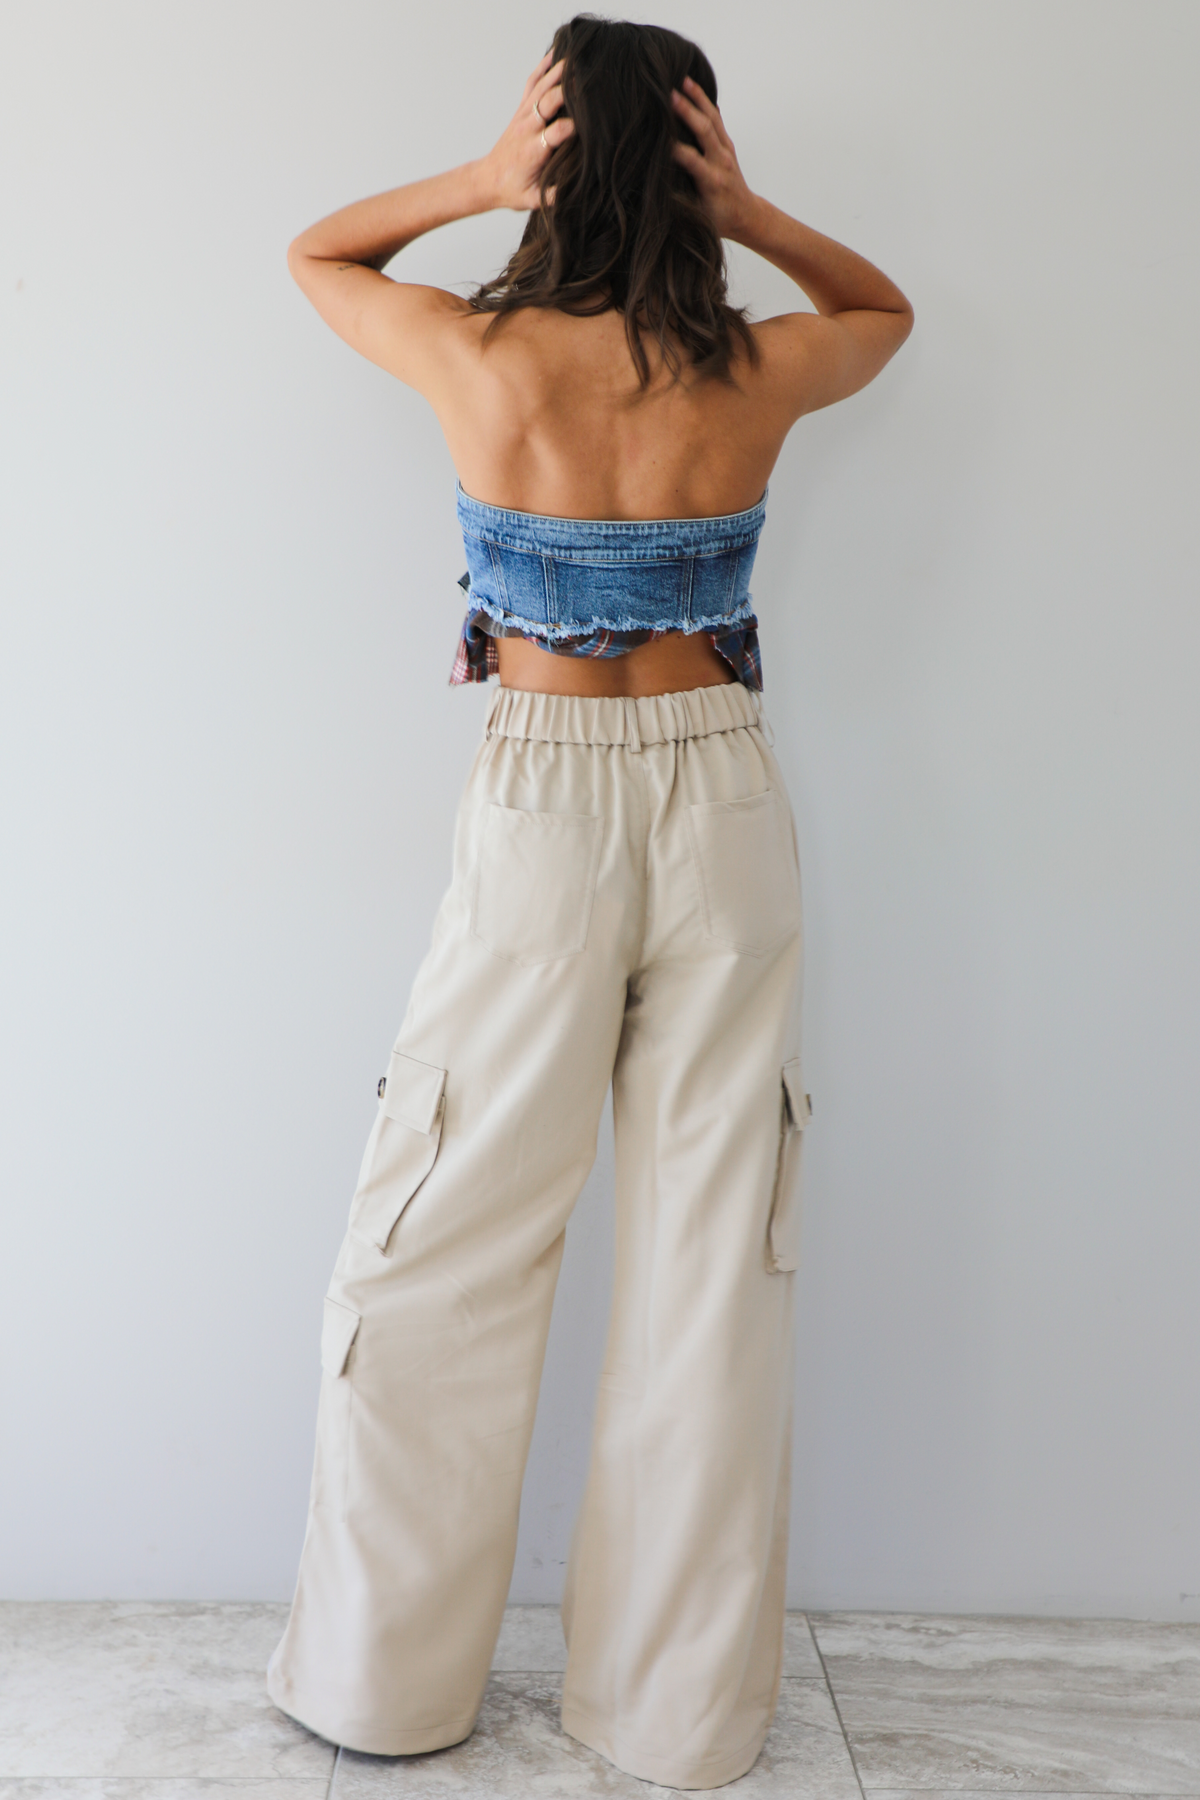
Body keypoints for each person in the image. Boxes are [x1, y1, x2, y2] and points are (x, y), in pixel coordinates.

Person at [267, 16, 911, 1790]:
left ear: (552, 156)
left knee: (446, 1232)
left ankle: (382, 1692)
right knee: (714, 1261)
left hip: (543, 805)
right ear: (694, 162)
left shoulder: (483, 355)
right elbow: (885, 311)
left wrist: (482, 181)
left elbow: (317, 254)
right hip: (724, 803)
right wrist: (754, 213)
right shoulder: (753, 366)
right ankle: (675, 1723)